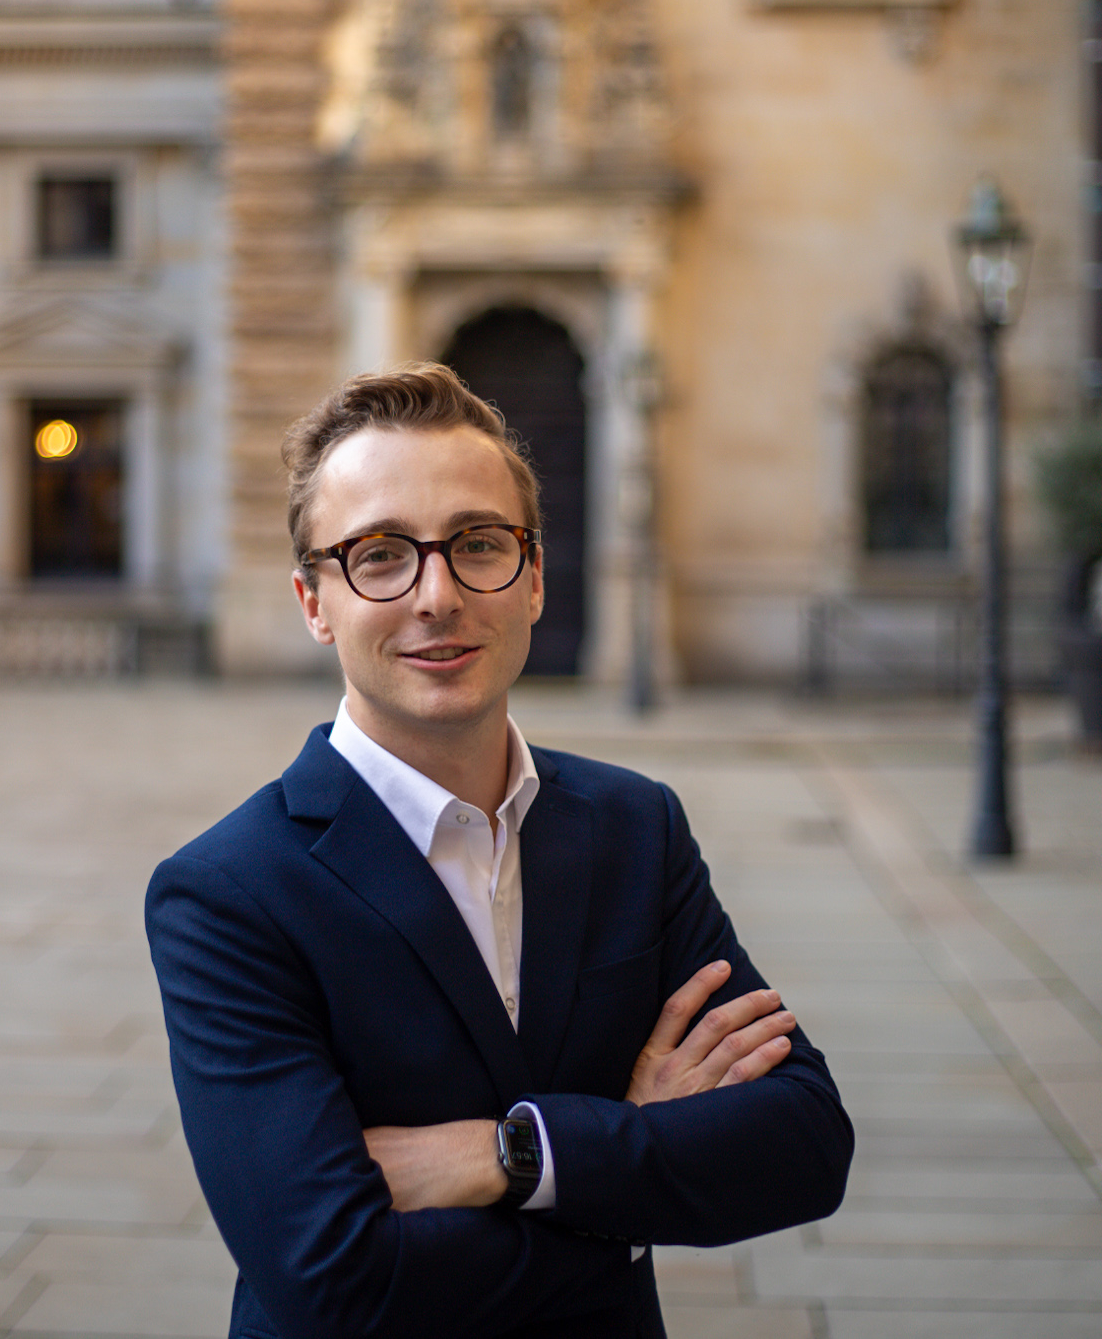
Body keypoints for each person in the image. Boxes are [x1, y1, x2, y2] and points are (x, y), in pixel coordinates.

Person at [145, 364, 851, 1339]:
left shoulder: (633, 825)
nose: (435, 595)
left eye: (477, 544)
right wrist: (629, 1166)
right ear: (314, 603)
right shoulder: (228, 891)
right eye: (379, 555)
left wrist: (509, 1153)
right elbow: (334, 1279)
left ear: (532, 579)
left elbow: (804, 1145)